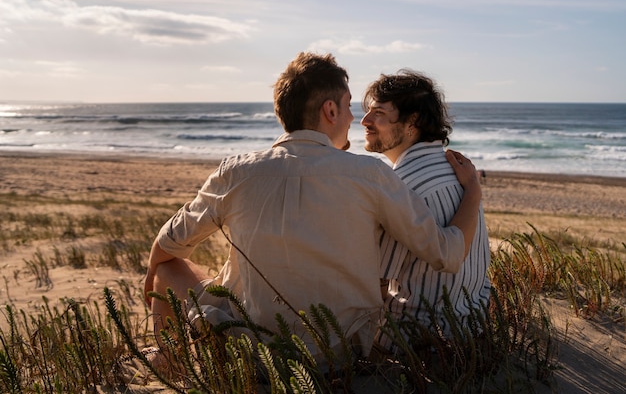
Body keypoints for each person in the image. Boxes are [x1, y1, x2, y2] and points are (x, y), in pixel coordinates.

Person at [143, 52, 482, 362]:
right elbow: (448, 253)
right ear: (330, 110)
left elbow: (167, 242)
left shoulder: (236, 171)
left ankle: (170, 361)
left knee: (168, 268)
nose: (355, 118)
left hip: (254, 351)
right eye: (350, 106)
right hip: (341, 356)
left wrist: (151, 277)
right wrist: (474, 193)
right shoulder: (372, 175)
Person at [360, 69, 491, 353]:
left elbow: (377, 286)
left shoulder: (399, 187)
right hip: (473, 328)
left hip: (416, 340)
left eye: (378, 113)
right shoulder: (459, 174)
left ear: (412, 122)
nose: (365, 121)